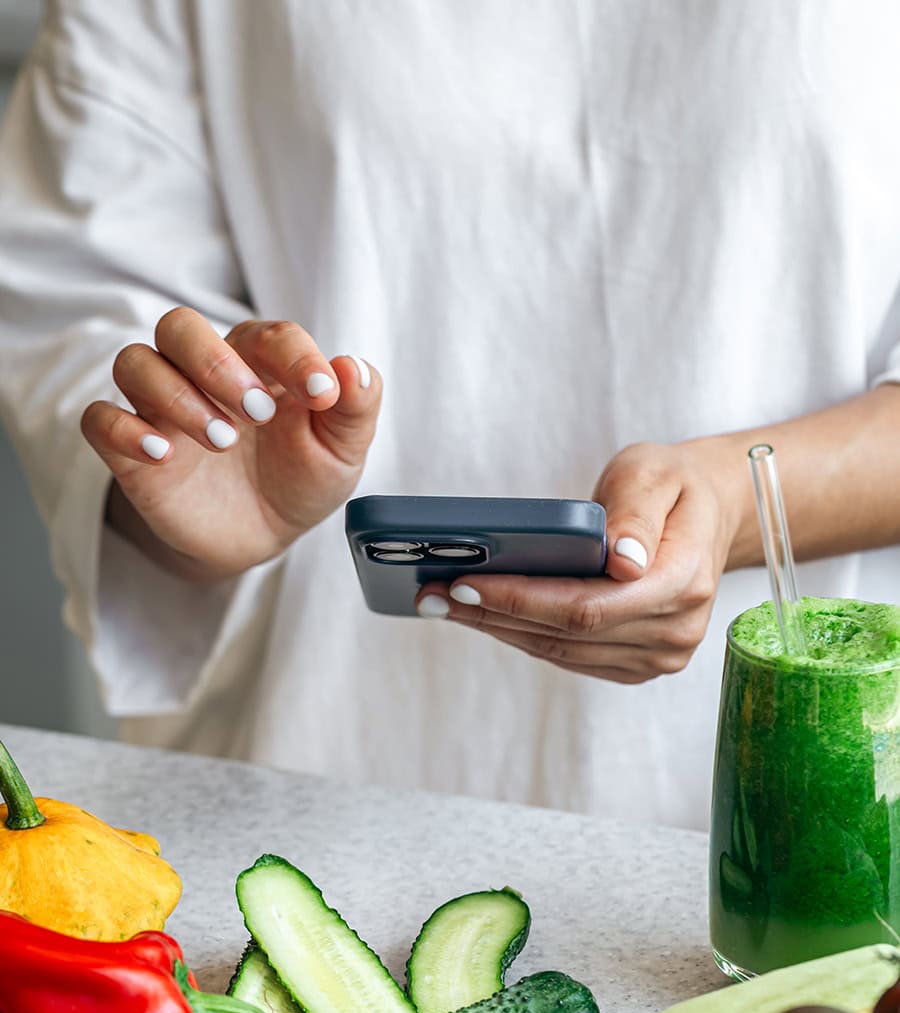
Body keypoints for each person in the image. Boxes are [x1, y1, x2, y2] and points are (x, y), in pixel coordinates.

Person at [0, 0, 899, 831]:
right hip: (317, 786)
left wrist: (730, 505)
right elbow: (78, 289)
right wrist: (190, 467)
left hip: (828, 805)